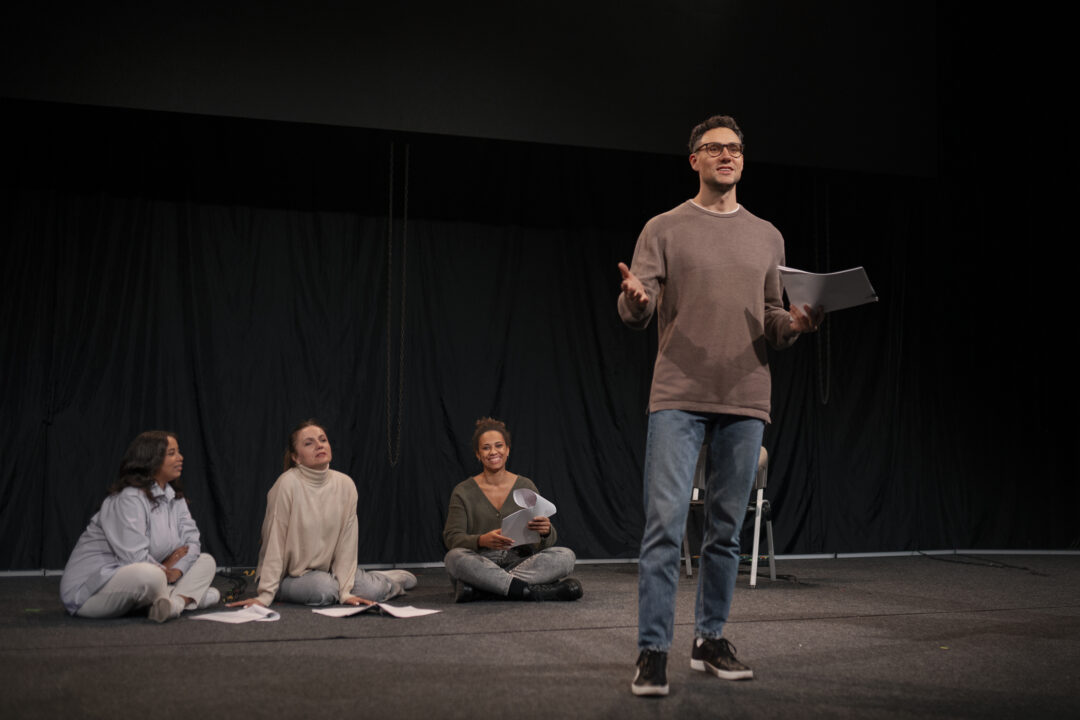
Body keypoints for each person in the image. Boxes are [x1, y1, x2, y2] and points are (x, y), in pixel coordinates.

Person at [618, 115, 823, 696]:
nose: (727, 156)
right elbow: (638, 307)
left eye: (734, 149)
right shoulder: (664, 227)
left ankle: (709, 640)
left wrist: (798, 323)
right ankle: (652, 651)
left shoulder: (768, 235)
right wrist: (634, 299)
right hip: (679, 395)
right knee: (664, 527)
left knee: (727, 530)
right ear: (695, 161)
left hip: (747, 396)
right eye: (714, 149)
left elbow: (773, 320)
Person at [227, 420, 415, 608]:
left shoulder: (345, 484)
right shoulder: (286, 485)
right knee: (324, 589)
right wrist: (266, 594)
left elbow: (347, 543)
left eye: (322, 440)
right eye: (309, 443)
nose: (319, 445)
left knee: (370, 591)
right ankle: (362, 580)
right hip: (289, 575)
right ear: (296, 457)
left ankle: (389, 581)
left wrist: (345, 592)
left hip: (328, 570)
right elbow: (274, 542)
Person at [60, 431, 218, 622]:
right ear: (151, 459)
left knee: (206, 561)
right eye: (172, 453)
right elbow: (133, 558)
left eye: (179, 452)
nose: (180, 457)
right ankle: (181, 598)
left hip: (147, 582)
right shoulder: (129, 498)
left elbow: (192, 543)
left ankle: (172, 605)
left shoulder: (175, 497)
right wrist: (165, 567)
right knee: (151, 576)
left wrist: (176, 571)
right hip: (92, 592)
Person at [442, 417, 582, 602]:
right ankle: (529, 591)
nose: (493, 452)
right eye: (486, 448)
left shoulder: (525, 485)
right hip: (481, 562)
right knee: (454, 558)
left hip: (521, 561)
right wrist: (482, 540)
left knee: (565, 556)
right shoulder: (462, 491)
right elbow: (452, 538)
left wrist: (546, 531)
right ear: (478, 454)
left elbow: (545, 545)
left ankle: (483, 589)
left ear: (507, 449)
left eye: (499, 446)